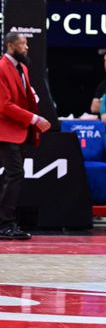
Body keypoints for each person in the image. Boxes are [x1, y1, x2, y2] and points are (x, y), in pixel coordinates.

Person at [0, 33, 50, 240]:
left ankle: (6, 221)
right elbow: (4, 105)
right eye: (23, 43)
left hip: (18, 130)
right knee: (14, 173)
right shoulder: (2, 67)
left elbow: (25, 96)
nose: (27, 47)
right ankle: (5, 224)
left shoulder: (23, 68)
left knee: (10, 175)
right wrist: (34, 119)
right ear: (11, 45)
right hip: (5, 130)